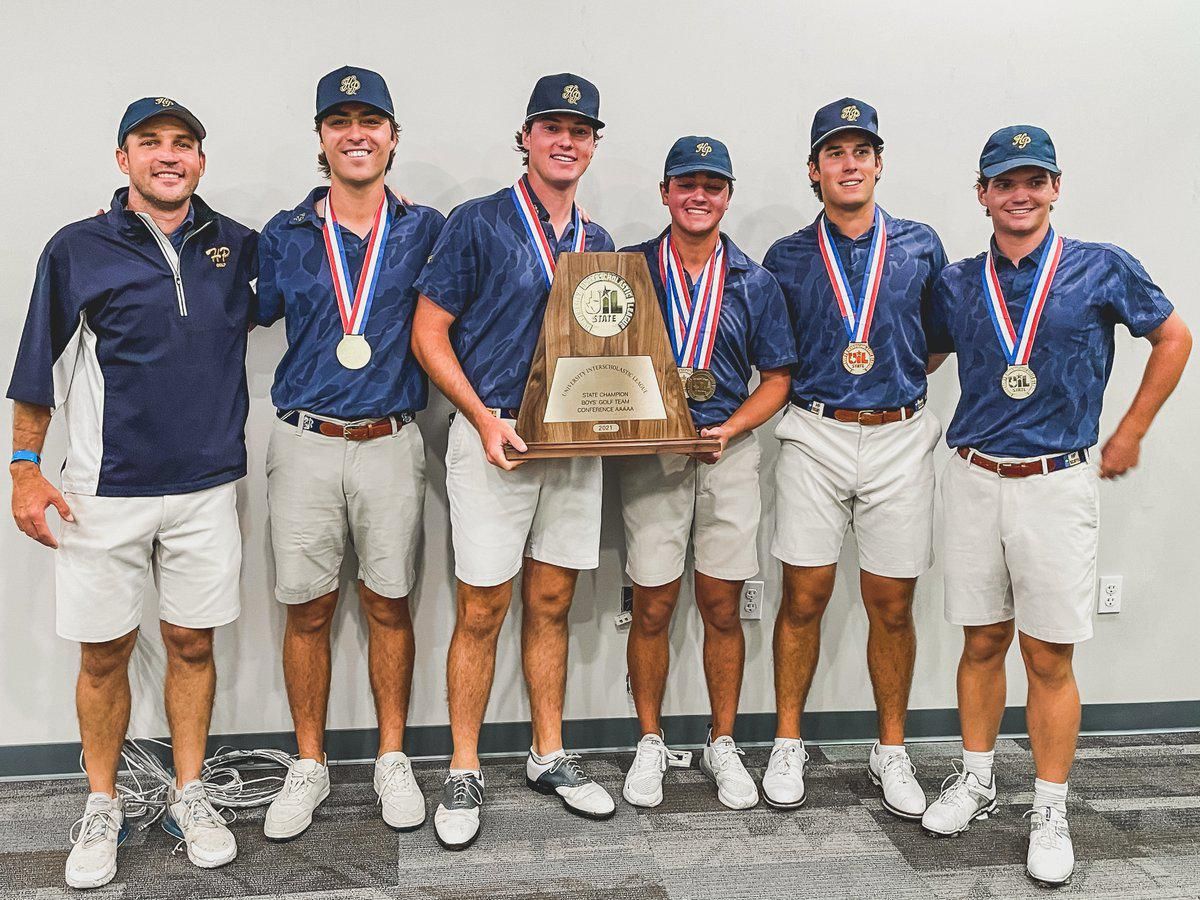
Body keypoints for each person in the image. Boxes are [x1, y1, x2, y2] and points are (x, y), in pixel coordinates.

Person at [920, 125, 1190, 887]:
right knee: (979, 641)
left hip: (1055, 481)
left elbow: (1173, 337)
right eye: (1005, 182)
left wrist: (1130, 431)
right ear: (982, 194)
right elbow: (931, 352)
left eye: (1034, 181)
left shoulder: (1101, 268)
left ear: (1056, 187)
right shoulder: (956, 282)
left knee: (1046, 654)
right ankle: (975, 778)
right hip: (972, 475)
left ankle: (1049, 805)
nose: (1020, 194)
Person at [7, 97, 257, 887]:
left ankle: (191, 793)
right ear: (123, 159)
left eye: (183, 143)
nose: (168, 155)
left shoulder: (237, 246)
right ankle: (102, 802)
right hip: (100, 493)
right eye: (150, 143)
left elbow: (318, 277)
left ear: (202, 161)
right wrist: (23, 469)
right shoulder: (77, 247)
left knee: (192, 643)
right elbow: (37, 368)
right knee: (105, 653)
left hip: (207, 490)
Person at [411, 73, 616, 850]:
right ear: (526, 137)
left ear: (594, 145)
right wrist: (479, 418)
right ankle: (464, 765)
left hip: (571, 443)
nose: (566, 140)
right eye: (552, 127)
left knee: (555, 602)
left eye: (581, 130)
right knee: (482, 609)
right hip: (493, 437)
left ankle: (548, 753)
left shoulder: (599, 243)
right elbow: (429, 333)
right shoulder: (478, 222)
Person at [254, 66, 445, 840]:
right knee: (307, 608)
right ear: (322, 140)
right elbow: (227, 298)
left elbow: (497, 286)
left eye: (371, 121)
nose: (356, 134)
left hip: (391, 442)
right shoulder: (284, 233)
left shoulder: (429, 230)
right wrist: (128, 225)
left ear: (394, 137)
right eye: (340, 122)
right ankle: (309, 763)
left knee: (389, 603)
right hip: (303, 441)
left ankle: (391, 756)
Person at [761, 98, 947, 818]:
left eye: (861, 151)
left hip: (900, 433)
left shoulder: (921, 245)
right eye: (834, 152)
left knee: (892, 604)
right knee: (803, 595)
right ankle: (787, 741)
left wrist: (884, 382)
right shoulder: (786, 256)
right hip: (815, 431)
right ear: (815, 169)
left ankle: (890, 750)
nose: (849, 163)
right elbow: (775, 354)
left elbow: (934, 339)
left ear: (878, 163)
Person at [616, 136, 795, 811]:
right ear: (664, 192)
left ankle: (723, 742)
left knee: (723, 606)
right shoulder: (627, 270)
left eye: (712, 186)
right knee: (653, 604)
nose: (699, 195)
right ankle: (649, 740)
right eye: (686, 183)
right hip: (652, 457)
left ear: (728, 196)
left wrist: (733, 427)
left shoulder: (756, 280)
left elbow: (777, 377)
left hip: (729, 453)